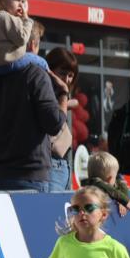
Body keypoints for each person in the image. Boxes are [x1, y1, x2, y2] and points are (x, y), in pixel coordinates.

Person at [0, 14, 67, 192]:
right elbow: (54, 124)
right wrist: (63, 95)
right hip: (30, 178)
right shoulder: (36, 75)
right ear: (32, 45)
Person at [45, 45, 78, 191]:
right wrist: (63, 96)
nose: (66, 79)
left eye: (70, 75)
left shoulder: (61, 95)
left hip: (64, 165)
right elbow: (56, 120)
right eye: (62, 73)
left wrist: (64, 97)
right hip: (51, 165)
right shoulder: (44, 92)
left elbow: (75, 102)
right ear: (51, 71)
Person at [80, 151, 130, 217]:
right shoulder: (95, 183)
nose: (116, 179)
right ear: (110, 179)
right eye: (115, 176)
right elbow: (107, 188)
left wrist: (122, 201)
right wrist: (124, 200)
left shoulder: (111, 185)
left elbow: (121, 183)